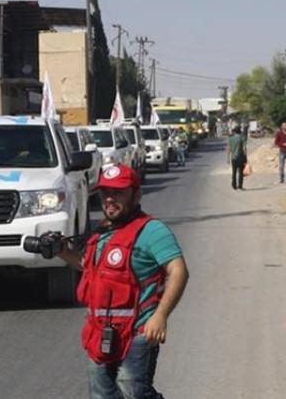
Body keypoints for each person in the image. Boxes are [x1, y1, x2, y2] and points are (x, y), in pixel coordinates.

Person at [58, 165, 189, 399]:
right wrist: (62, 251)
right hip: (101, 330)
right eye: (105, 193)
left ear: (136, 195)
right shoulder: (100, 234)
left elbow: (178, 271)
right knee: (102, 394)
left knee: (132, 389)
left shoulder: (153, 231)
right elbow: (90, 268)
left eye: (118, 193)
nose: (110, 199)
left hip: (139, 329)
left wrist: (160, 316)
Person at [227, 126, 247, 190]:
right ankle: (240, 186)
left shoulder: (230, 138)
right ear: (240, 131)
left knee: (234, 172)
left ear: (234, 131)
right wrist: (245, 157)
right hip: (240, 157)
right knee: (241, 172)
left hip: (233, 158)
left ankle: (234, 185)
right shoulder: (242, 138)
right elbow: (244, 148)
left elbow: (228, 149)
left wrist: (228, 159)